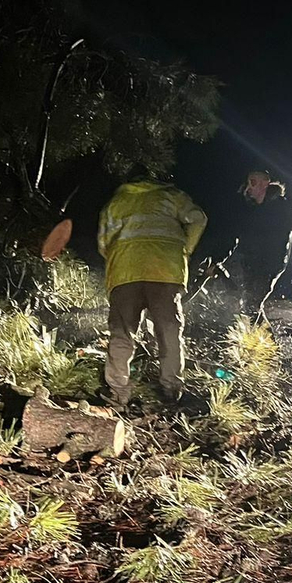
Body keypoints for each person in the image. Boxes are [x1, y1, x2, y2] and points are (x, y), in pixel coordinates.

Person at [97, 170, 207, 407]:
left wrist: (120, 256)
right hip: (165, 271)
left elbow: (103, 243)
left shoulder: (117, 202)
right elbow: (199, 219)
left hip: (125, 272)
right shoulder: (173, 196)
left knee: (122, 332)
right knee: (168, 330)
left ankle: (117, 392)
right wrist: (184, 249)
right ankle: (171, 388)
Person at [208, 168, 292, 324]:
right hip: (249, 262)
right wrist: (218, 260)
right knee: (250, 305)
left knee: (252, 304)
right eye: (248, 182)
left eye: (252, 182)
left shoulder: (282, 208)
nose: (249, 186)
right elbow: (232, 236)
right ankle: (265, 343)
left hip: (272, 264)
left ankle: (259, 343)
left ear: (265, 184)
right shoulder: (248, 209)